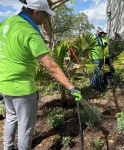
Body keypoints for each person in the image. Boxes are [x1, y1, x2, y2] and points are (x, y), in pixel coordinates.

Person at [0, 0, 82, 149]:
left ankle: (7, 148)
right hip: (22, 89)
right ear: (36, 12)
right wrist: (71, 88)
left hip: (4, 83)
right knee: (25, 128)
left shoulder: (7, 22)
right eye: (45, 15)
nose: (46, 19)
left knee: (11, 118)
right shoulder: (30, 32)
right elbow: (51, 67)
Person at [90, 26, 106, 95]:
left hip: (100, 58)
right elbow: (89, 48)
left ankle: (93, 85)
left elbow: (100, 47)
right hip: (95, 58)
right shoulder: (93, 38)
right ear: (98, 31)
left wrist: (104, 46)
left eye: (104, 33)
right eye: (102, 33)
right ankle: (100, 89)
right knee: (97, 73)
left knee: (96, 73)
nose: (103, 34)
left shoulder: (100, 38)